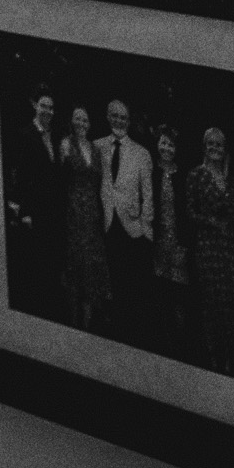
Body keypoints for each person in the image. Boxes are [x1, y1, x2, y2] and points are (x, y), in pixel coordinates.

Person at [186, 128, 234, 377]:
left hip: (228, 247)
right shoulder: (196, 174)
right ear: (204, 146)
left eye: (219, 144)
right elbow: (190, 212)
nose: (214, 148)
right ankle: (215, 357)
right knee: (212, 301)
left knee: (233, 301)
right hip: (207, 247)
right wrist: (210, 221)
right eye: (210, 144)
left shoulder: (229, 178)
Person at [93, 99, 155, 345]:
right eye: (114, 116)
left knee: (133, 285)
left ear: (129, 121)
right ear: (108, 117)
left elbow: (148, 195)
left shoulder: (141, 153)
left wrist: (145, 228)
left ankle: (136, 335)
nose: (119, 121)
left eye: (123, 118)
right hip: (107, 224)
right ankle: (114, 333)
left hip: (133, 228)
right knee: (112, 281)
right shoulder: (96, 146)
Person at [3, 88, 66, 318]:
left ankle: (51, 309)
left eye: (51, 107)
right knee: (35, 264)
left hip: (52, 212)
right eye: (43, 106)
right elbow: (19, 177)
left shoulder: (56, 136)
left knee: (51, 262)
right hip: (34, 211)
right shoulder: (24, 134)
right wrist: (24, 212)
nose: (47, 111)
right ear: (34, 106)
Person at [56, 105, 111, 332]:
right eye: (77, 119)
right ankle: (73, 321)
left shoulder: (96, 149)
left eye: (85, 120)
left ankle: (87, 324)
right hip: (73, 213)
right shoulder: (66, 144)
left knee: (90, 268)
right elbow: (59, 179)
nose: (81, 124)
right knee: (75, 266)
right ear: (72, 121)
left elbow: (102, 185)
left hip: (92, 216)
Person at [146, 125, 193, 359]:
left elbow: (186, 211)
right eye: (163, 143)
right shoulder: (150, 171)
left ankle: (181, 348)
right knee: (160, 293)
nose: (166, 148)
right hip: (157, 241)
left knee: (178, 295)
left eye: (171, 145)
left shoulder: (182, 175)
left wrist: (183, 241)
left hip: (177, 241)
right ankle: (163, 346)